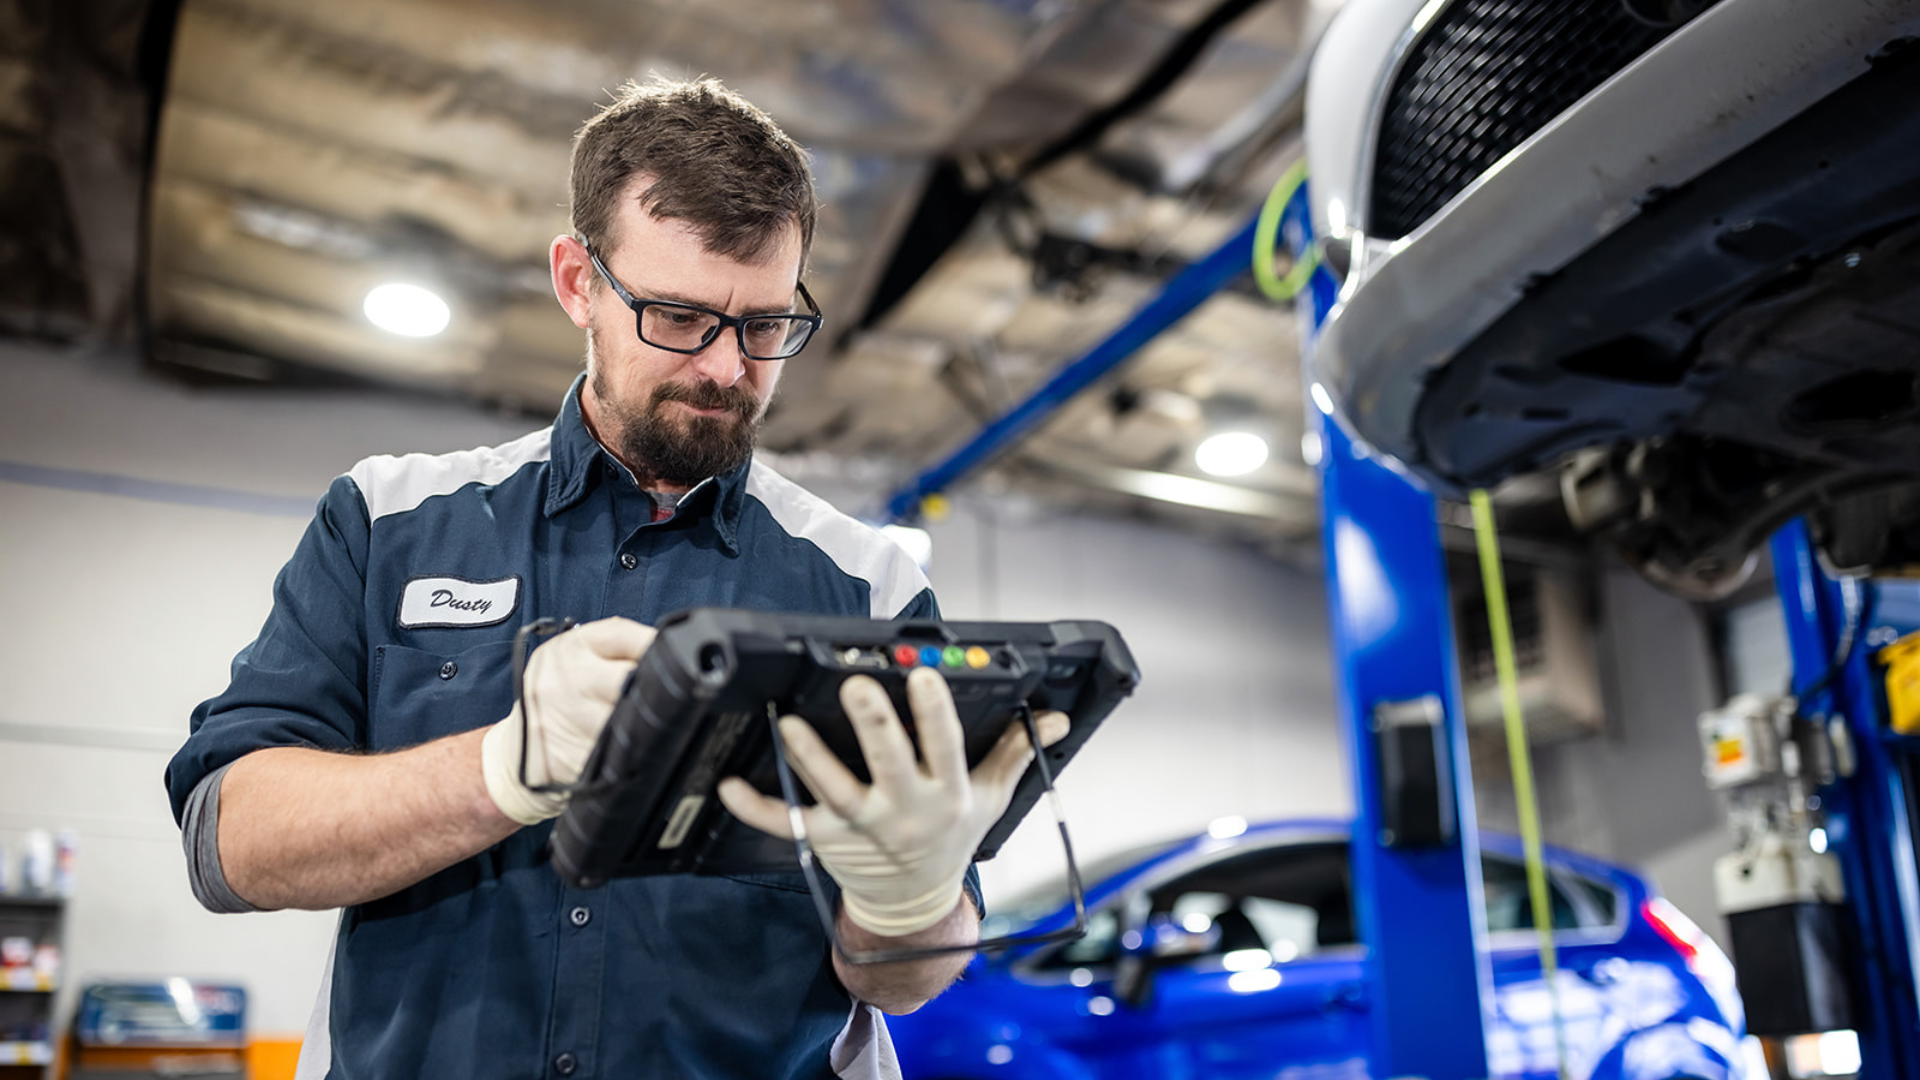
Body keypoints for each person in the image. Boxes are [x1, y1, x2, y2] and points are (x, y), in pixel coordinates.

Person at [164, 76, 1066, 1080]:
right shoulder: (391, 521)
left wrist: (911, 899)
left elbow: (900, 981)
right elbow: (227, 842)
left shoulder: (868, 582)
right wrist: (504, 769)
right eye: (678, 316)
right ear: (578, 282)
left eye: (767, 325)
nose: (727, 368)